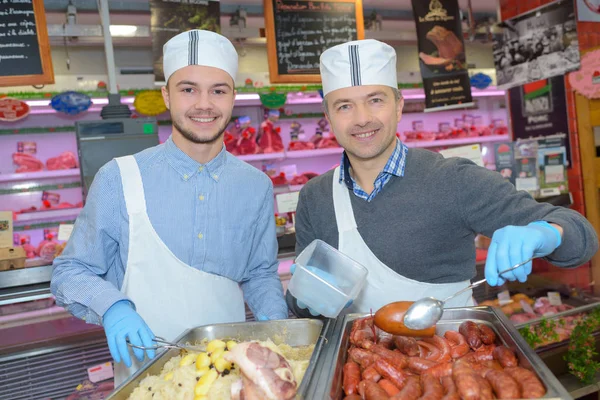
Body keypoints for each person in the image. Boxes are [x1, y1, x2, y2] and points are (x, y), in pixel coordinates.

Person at [286, 39, 598, 318]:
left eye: (376, 100)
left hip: (452, 363)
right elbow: (302, 305)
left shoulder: (453, 180)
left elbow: (582, 238)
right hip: (356, 368)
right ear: (328, 118)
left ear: (399, 106)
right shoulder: (315, 197)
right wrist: (304, 299)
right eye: (344, 106)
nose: (362, 118)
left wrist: (546, 233)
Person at [51, 29, 288, 385]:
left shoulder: (255, 186)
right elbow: (69, 271)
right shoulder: (120, 178)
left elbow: (260, 274)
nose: (204, 104)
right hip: (142, 380)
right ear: (166, 95)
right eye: (188, 89)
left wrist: (281, 335)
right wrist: (112, 306)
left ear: (233, 97)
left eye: (218, 90)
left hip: (225, 378)